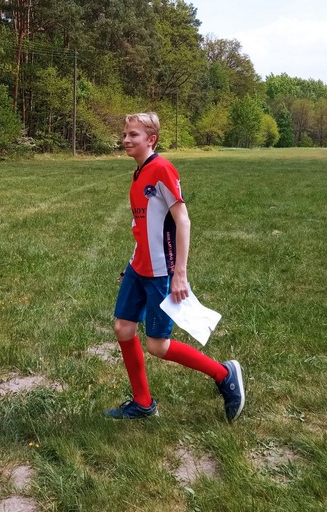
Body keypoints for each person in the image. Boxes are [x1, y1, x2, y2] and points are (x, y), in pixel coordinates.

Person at [105, 112, 245, 422]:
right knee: (123, 328)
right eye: (126, 134)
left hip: (160, 273)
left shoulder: (162, 169)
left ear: (151, 139)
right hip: (137, 268)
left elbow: (182, 220)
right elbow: (144, 225)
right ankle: (143, 403)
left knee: (158, 345)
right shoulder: (139, 173)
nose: (126, 139)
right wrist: (130, 263)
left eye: (134, 135)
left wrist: (179, 273)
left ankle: (224, 374)